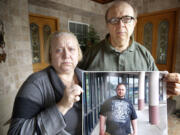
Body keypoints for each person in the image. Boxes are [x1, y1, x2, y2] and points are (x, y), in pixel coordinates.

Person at [79, 0, 180, 96]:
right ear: (107, 25)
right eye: (114, 20)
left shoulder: (145, 55)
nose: (120, 25)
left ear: (134, 23)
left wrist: (167, 89)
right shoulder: (90, 54)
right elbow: (77, 84)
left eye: (127, 19)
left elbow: (157, 87)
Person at [8, 32, 83, 135]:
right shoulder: (34, 84)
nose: (66, 55)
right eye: (59, 50)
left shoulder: (86, 77)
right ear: (50, 55)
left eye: (71, 49)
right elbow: (15, 132)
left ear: (78, 53)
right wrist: (62, 106)